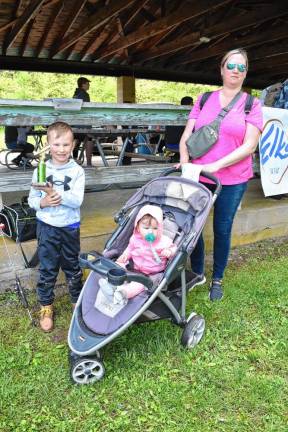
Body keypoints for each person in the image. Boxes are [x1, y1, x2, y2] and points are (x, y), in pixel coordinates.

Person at [178, 48, 263, 301]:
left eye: (241, 67)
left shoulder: (252, 104)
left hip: (233, 178)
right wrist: (184, 163)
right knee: (194, 226)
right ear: (222, 69)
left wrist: (216, 166)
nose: (236, 71)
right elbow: (187, 136)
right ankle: (198, 272)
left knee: (222, 228)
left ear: (245, 73)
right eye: (231, 66)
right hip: (199, 175)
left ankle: (217, 278)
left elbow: (250, 146)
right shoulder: (204, 99)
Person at [28, 122, 85, 332]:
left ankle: (77, 302)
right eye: (57, 144)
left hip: (70, 226)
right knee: (47, 268)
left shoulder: (77, 171)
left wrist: (55, 195)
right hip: (47, 227)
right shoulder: (41, 170)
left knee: (72, 266)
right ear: (48, 145)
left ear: (73, 145)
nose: (61, 149)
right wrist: (42, 202)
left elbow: (77, 200)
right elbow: (32, 198)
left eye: (66, 144)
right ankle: (46, 306)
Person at [100, 205, 177, 305]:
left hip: (150, 274)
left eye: (155, 228)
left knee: (139, 285)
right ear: (138, 228)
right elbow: (130, 248)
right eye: (146, 228)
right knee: (119, 266)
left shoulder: (163, 241)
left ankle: (122, 294)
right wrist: (125, 255)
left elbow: (174, 248)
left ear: (160, 228)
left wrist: (169, 252)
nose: (150, 231)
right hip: (134, 266)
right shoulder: (135, 238)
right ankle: (110, 283)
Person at [73, 76, 94, 167]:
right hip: (83, 124)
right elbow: (87, 109)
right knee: (90, 138)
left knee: (75, 139)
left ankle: (74, 160)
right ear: (83, 84)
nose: (89, 85)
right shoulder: (85, 94)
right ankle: (89, 163)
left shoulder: (75, 94)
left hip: (74, 125)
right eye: (87, 83)